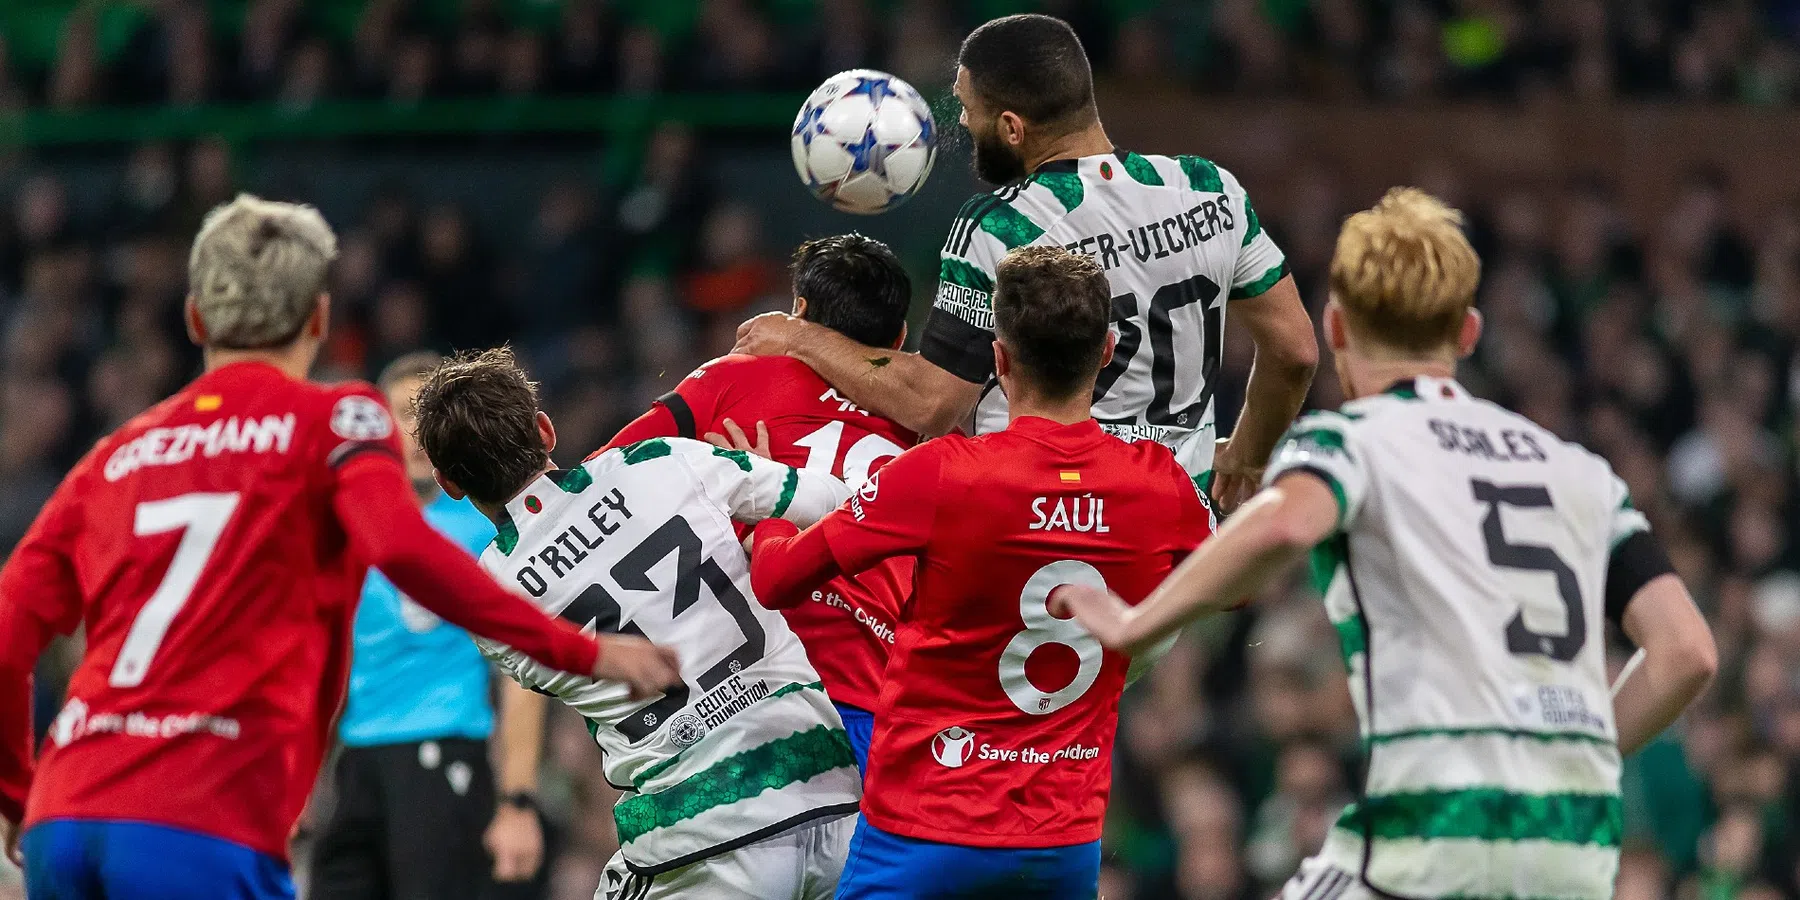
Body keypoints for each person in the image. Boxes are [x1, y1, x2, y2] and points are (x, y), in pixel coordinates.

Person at [0, 194, 680, 899]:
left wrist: (18, 795)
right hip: (195, 812)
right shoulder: (339, 420)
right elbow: (404, 552)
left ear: (197, 319)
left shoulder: (115, 455)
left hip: (65, 813)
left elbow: (8, 633)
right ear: (318, 319)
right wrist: (586, 651)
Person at [1058, 188, 1719, 900]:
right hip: (1574, 850)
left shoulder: (1351, 440)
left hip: (1434, 833)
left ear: (1336, 327)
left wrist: (1136, 621)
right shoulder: (1577, 470)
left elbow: (1285, 522)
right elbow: (1687, 652)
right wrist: (1568, 760)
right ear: (1467, 333)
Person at [747, 246, 1213, 899]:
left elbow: (776, 579)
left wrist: (773, 503)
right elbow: (1230, 576)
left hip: (923, 832)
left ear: (997, 359)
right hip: (1062, 844)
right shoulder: (1161, 488)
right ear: (1108, 350)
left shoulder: (942, 473)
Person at [736, 13, 1317, 513]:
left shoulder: (1002, 227)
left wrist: (800, 338)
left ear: (1013, 127)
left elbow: (934, 402)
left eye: (968, 108)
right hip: (1174, 536)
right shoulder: (1209, 189)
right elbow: (1295, 352)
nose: (961, 123)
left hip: (1041, 532)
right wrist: (1246, 455)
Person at [411, 347, 864, 900]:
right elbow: (840, 504)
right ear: (545, 430)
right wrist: (760, 515)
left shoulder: (492, 596)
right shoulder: (660, 461)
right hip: (832, 791)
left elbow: (544, 670)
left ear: (449, 483)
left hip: (697, 838)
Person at [606, 234, 917, 771]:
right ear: (902, 335)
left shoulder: (732, 379)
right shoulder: (925, 413)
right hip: (883, 687)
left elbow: (607, 472)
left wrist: (719, 482)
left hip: (749, 685)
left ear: (798, 312)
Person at [310, 352, 547, 899]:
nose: (416, 433)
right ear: (379, 426)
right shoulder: (351, 528)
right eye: (402, 413)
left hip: (444, 751)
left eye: (428, 416)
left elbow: (522, 674)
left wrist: (517, 800)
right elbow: (326, 664)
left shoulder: (484, 529)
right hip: (356, 765)